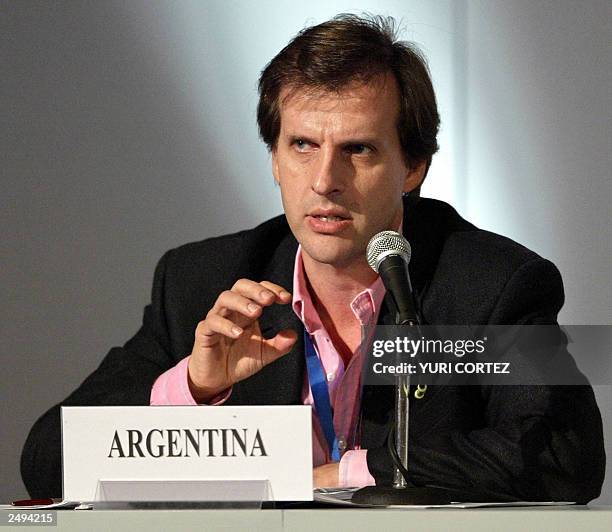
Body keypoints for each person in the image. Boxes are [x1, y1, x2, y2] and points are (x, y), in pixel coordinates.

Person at [22, 14, 605, 501]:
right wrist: (194, 392)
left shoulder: (490, 284)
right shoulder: (203, 283)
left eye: (358, 149)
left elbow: (564, 453)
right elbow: (49, 458)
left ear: (413, 167)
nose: (325, 180)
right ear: (274, 159)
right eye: (302, 145)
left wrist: (352, 473)